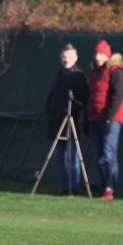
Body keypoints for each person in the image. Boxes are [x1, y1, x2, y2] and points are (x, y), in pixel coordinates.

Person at [45, 43, 89, 195]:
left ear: (75, 58)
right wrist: (51, 110)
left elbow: (83, 100)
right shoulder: (59, 75)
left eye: (69, 57)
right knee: (59, 157)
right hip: (56, 123)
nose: (66, 60)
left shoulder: (79, 76)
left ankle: (73, 188)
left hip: (71, 123)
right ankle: (65, 188)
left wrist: (70, 110)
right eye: (64, 57)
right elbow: (53, 97)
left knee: (71, 158)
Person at [87, 42, 123, 200]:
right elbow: (91, 97)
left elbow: (117, 98)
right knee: (100, 157)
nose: (97, 57)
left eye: (100, 54)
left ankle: (110, 188)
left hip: (110, 120)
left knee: (108, 155)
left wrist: (110, 119)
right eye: (95, 53)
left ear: (107, 55)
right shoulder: (95, 73)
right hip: (94, 119)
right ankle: (105, 187)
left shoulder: (117, 72)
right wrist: (87, 119)